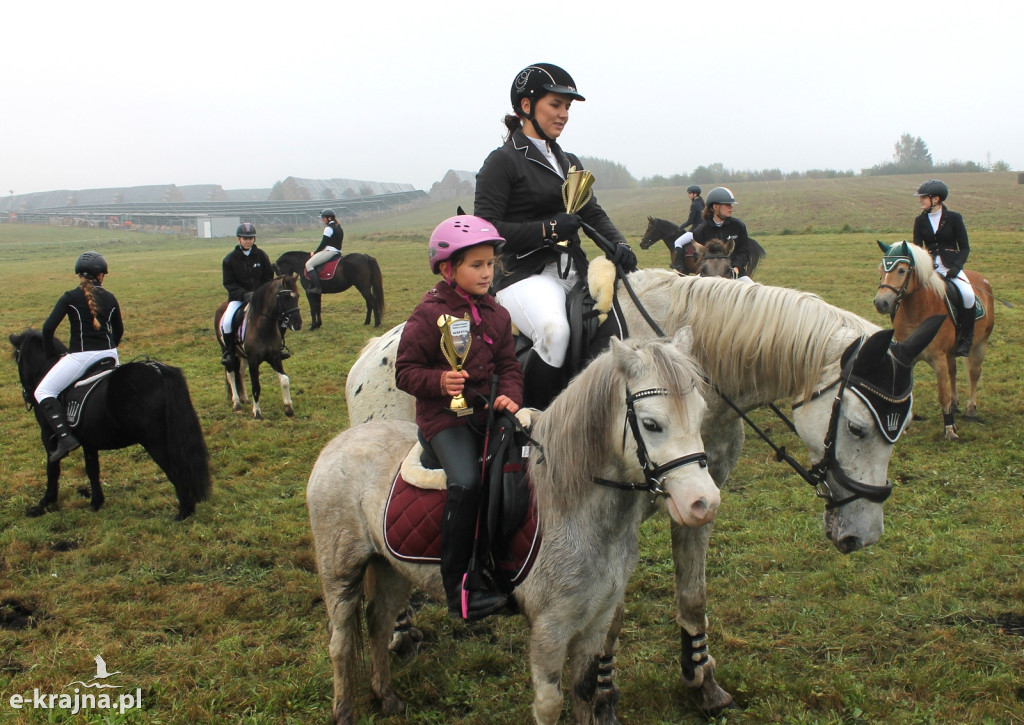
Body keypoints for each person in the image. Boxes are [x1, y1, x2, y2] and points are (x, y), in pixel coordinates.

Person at [474, 62, 636, 406]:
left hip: (573, 269)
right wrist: (547, 229)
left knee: (621, 330)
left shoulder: (568, 160)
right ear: (527, 106)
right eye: (555, 105)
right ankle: (534, 423)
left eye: (567, 108)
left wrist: (619, 243)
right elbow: (485, 228)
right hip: (522, 275)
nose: (563, 114)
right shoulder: (501, 162)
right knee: (555, 333)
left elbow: (591, 211)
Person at [395, 215, 523, 621]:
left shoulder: (497, 315)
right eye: (477, 265)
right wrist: (439, 381)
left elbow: (510, 366)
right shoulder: (428, 314)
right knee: (467, 481)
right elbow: (404, 371)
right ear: (449, 269)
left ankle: (502, 562)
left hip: (487, 415)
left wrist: (510, 397)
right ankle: (457, 586)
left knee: (520, 468)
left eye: (490, 264)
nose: (487, 273)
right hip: (443, 420)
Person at [34, 251, 124, 462]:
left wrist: (51, 356)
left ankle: (65, 438)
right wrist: (108, 349)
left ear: (79, 275)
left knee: (43, 390)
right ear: (101, 275)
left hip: (80, 357)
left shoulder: (70, 297)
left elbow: (48, 329)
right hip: (111, 355)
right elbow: (118, 331)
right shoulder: (110, 298)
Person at [912, 179, 975, 356]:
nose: (920, 200)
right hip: (929, 268)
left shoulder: (954, 218)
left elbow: (965, 247)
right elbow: (917, 248)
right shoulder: (919, 220)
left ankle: (966, 338)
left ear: (936, 199)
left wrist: (956, 268)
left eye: (923, 197)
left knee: (969, 295)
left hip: (951, 266)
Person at [220, 222, 274, 368]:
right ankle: (230, 353)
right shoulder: (229, 259)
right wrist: (244, 295)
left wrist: (261, 292)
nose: (248, 241)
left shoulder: (261, 255)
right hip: (239, 299)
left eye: (250, 238)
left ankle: (278, 347)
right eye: (245, 238)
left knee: (279, 315)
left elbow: (269, 277)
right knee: (227, 322)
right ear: (239, 239)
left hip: (260, 297)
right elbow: (229, 283)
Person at [674, 186, 754, 281]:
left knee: (754, 291)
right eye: (727, 204)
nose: (731, 207)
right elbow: (696, 256)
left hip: (735, 273)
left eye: (731, 205)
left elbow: (744, 251)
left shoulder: (738, 226)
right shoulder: (701, 230)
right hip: (708, 275)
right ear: (715, 207)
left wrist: (736, 267)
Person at [305, 209, 344, 294]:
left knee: (309, 264)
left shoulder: (328, 228)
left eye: (324, 218)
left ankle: (318, 288)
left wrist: (315, 253)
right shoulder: (339, 227)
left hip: (330, 251)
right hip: (337, 251)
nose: (322, 219)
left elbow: (323, 243)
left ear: (329, 218)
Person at [672, 184, 705, 272]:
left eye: (690, 193)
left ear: (695, 194)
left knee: (677, 242)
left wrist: (681, 227)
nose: (689, 195)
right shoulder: (702, 203)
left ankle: (681, 266)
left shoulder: (694, 205)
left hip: (695, 231)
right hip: (703, 230)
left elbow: (690, 221)